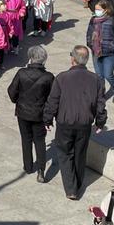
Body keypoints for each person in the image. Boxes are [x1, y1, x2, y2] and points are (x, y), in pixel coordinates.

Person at [43, 45, 107, 201]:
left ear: (73, 59)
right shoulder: (96, 80)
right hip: (85, 124)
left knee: (65, 154)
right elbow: (100, 104)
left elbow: (53, 101)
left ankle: (71, 188)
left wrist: (48, 118)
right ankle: (77, 184)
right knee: (80, 154)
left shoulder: (62, 78)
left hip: (65, 123)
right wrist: (100, 122)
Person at [7, 45, 55, 181]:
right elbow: (52, 99)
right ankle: (41, 170)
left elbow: (11, 91)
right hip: (40, 115)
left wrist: (18, 101)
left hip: (23, 113)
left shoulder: (21, 73)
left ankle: (28, 167)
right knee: (40, 142)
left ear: (30, 58)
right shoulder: (49, 77)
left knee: (26, 139)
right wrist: (49, 117)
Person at [86, 0, 114, 103]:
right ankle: (101, 94)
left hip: (110, 53)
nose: (96, 11)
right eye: (95, 9)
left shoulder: (113, 20)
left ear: (106, 9)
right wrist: (90, 44)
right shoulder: (93, 20)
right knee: (99, 76)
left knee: (108, 75)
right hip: (96, 52)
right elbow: (89, 33)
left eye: (98, 9)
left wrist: (113, 46)